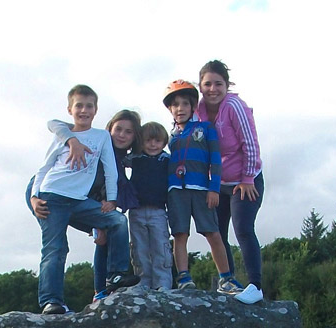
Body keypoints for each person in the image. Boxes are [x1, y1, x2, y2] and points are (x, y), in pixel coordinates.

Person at [29, 84, 139, 314]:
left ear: (96, 110)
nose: (84, 110)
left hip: (79, 201)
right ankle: (51, 301)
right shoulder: (63, 136)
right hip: (53, 197)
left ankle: (116, 275)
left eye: (89, 106)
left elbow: (111, 170)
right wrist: (33, 197)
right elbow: (44, 168)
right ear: (70, 109)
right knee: (55, 248)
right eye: (79, 105)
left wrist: (111, 199)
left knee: (117, 221)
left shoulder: (101, 137)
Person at [162, 79, 242, 295]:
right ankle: (184, 277)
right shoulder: (169, 137)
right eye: (175, 105)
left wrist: (214, 188)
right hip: (176, 191)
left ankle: (226, 278)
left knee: (213, 233)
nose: (180, 109)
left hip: (202, 189)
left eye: (185, 104)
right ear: (170, 109)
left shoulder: (205, 128)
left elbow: (216, 160)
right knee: (180, 234)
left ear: (193, 106)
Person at [196, 60, 266, 304]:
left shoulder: (235, 106)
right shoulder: (198, 110)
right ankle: (228, 281)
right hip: (218, 182)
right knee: (217, 233)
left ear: (227, 85)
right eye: (207, 84)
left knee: (243, 229)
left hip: (245, 179)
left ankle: (256, 286)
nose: (213, 89)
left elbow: (250, 143)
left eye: (218, 84)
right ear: (200, 86)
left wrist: (248, 179)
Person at [126, 122, 173, 290]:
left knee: (161, 247)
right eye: (148, 141)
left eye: (158, 141)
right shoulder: (135, 157)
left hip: (159, 210)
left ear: (164, 142)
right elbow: (117, 158)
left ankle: (163, 284)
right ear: (141, 141)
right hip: (136, 210)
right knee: (139, 249)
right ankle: (143, 283)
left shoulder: (167, 159)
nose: (153, 145)